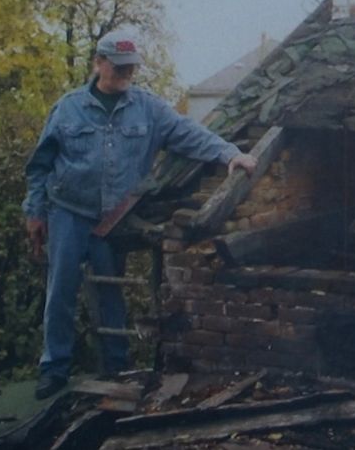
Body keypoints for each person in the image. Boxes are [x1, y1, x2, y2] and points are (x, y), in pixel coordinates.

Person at [23, 29, 257, 400]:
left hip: (112, 221)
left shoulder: (148, 108)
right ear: (98, 63)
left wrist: (231, 155)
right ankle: (54, 369)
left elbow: (190, 134)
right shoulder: (67, 108)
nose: (125, 76)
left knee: (109, 291)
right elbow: (40, 166)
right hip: (67, 211)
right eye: (118, 69)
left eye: (131, 69)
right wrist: (35, 212)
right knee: (61, 291)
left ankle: (116, 368)